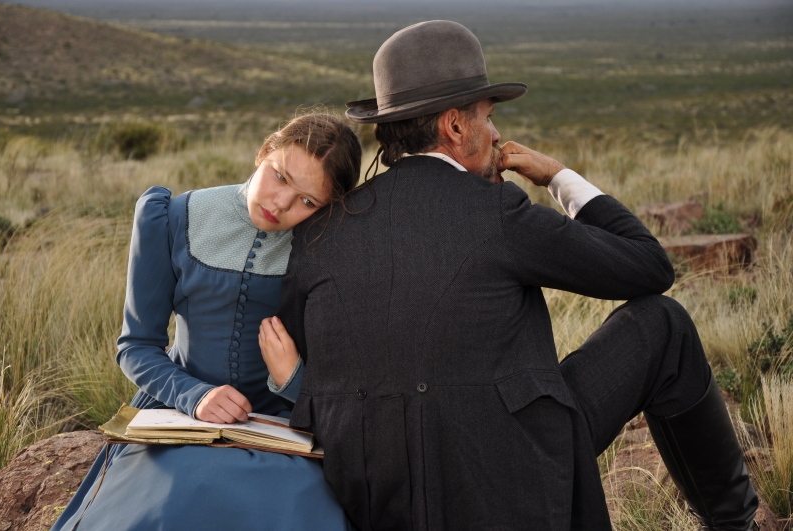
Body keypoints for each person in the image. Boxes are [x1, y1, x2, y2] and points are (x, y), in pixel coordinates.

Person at [260, 21, 759, 531]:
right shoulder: (496, 213)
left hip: (376, 503)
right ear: (455, 128)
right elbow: (649, 266)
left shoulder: (320, 233)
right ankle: (735, 524)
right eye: (489, 117)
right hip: (517, 489)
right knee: (664, 326)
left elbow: (307, 363)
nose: (497, 134)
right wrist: (558, 177)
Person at [51, 112, 362, 531]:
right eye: (280, 177)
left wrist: (293, 381)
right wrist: (195, 396)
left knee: (291, 510)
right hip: (178, 415)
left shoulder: (333, 248)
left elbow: (349, 377)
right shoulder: (170, 217)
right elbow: (136, 347)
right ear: (265, 151)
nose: (280, 204)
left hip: (285, 427)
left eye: (308, 201)